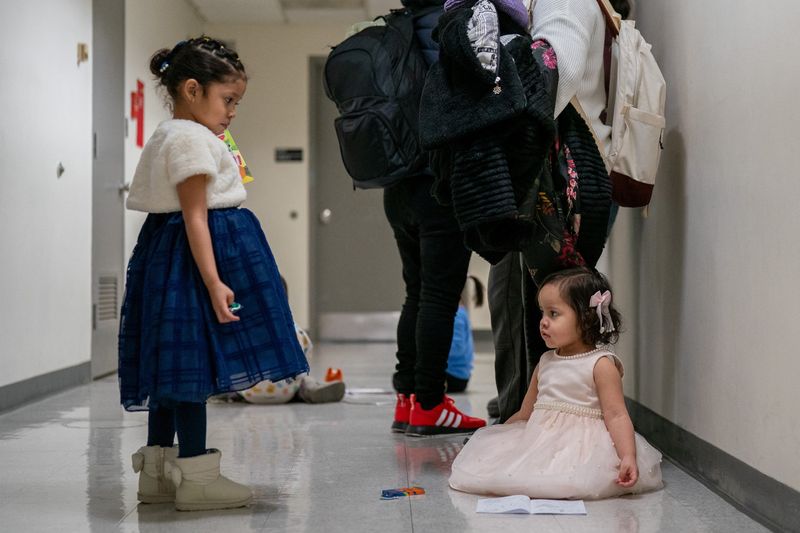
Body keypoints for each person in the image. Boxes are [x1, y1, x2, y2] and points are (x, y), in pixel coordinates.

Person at [118, 36, 309, 511]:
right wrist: (214, 280)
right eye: (228, 100)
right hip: (194, 261)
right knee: (193, 368)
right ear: (191, 89)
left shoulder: (175, 133)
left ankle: (159, 475)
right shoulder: (188, 138)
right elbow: (195, 216)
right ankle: (199, 475)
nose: (232, 112)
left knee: (171, 366)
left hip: (172, 256)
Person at [488, 0, 631, 423]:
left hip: (555, 184)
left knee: (532, 308)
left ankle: (526, 424)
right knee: (552, 309)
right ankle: (544, 419)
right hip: (575, 178)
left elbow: (558, 73)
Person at [449, 267, 662, 499]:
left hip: (582, 446)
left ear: (586, 317)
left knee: (566, 480)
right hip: (539, 439)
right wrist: (499, 438)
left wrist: (628, 455)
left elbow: (617, 415)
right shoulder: (545, 361)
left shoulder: (601, 364)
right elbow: (525, 413)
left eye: (554, 314)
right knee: (509, 471)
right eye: (542, 313)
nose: (543, 322)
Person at [387, 0, 487, 436]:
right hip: (439, 184)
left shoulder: (397, 32)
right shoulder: (453, 26)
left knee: (416, 293)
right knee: (439, 299)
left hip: (398, 186)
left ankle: (407, 401)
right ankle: (430, 403)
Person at [444, 275, 484, 393]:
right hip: (457, 376)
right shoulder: (460, 312)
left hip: (453, 377)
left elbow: (456, 349)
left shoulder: (455, 314)